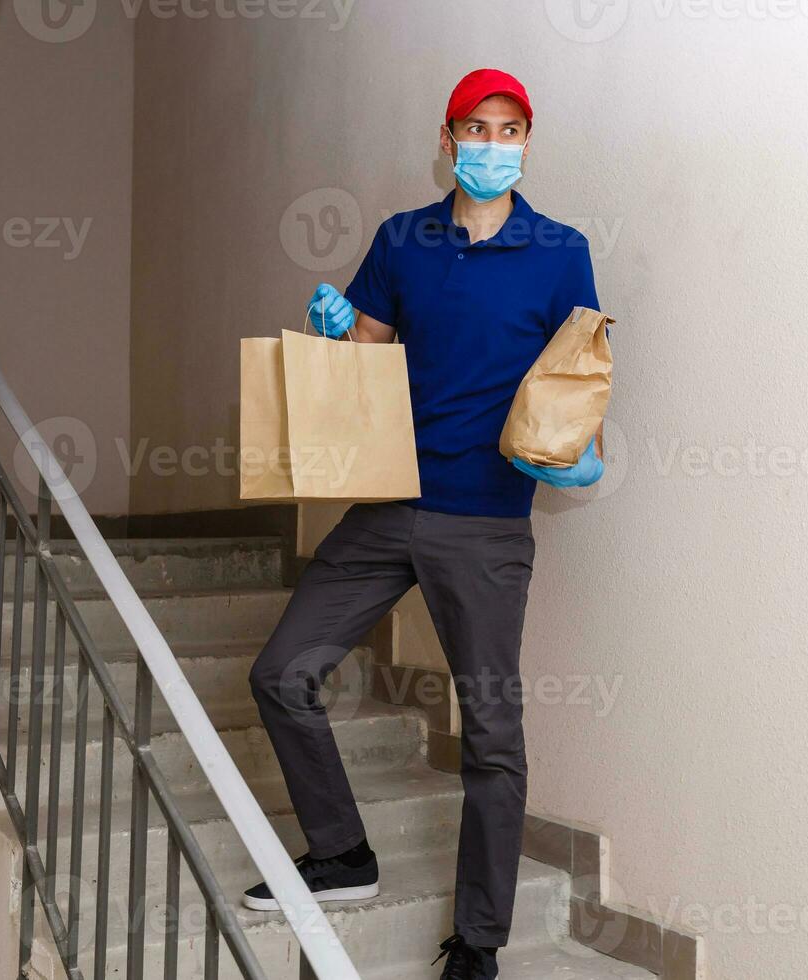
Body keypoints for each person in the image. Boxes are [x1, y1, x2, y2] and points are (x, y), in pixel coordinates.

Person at [245, 67, 604, 980]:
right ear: (446, 138)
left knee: (490, 733)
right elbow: (366, 352)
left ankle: (478, 941)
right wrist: (336, 330)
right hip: (388, 503)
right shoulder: (402, 240)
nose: (492, 142)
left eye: (510, 128)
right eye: (476, 127)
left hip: (485, 524)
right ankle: (341, 854)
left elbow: (573, 377)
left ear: (528, 139)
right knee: (283, 673)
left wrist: (581, 452)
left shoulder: (562, 250)